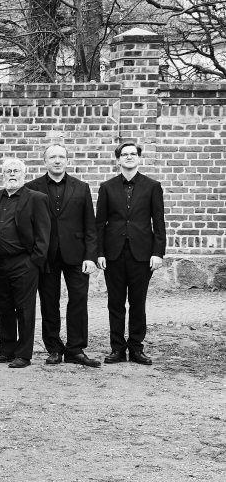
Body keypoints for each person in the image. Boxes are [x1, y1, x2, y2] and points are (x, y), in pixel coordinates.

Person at [25, 145, 101, 367]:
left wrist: (90, 256)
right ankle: (54, 349)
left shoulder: (81, 187)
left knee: (79, 300)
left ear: (67, 160)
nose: (57, 160)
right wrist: (34, 254)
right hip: (46, 255)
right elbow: (28, 224)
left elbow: (90, 224)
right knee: (49, 303)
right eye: (52, 157)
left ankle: (76, 349)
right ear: (45, 161)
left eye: (61, 157)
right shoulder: (32, 188)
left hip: (77, 254)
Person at [96, 142, 166, 365]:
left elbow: (159, 222)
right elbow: (99, 224)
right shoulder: (107, 187)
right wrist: (99, 252)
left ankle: (136, 347)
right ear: (118, 159)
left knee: (138, 302)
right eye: (124, 154)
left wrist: (158, 252)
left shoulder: (152, 186)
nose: (129, 157)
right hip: (113, 254)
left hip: (142, 254)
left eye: (133, 154)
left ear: (139, 158)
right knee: (115, 303)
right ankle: (117, 348)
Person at [0, 159, 50, 369]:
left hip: (24, 262)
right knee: (4, 308)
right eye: (8, 171)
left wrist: (34, 261)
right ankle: (6, 351)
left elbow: (43, 233)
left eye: (16, 171)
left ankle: (23, 354)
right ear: (2, 175)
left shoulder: (36, 198)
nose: (12, 174)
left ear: (24, 174)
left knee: (24, 310)